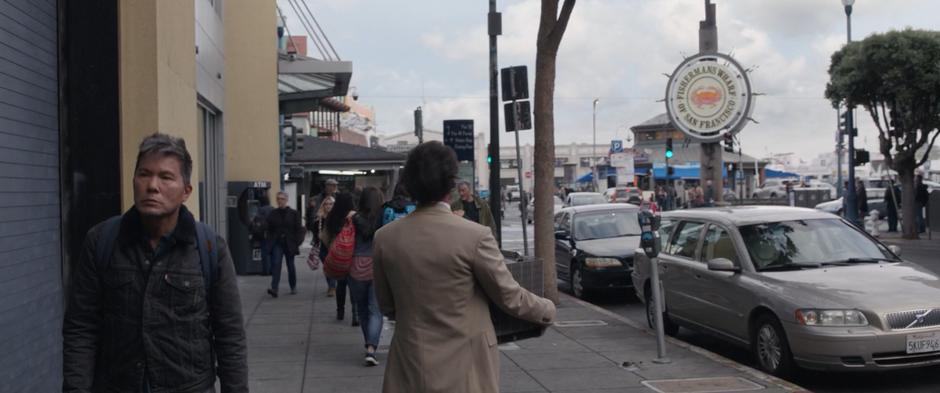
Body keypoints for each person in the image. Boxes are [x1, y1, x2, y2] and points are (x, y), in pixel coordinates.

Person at [63, 133, 247, 392]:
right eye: (144, 174)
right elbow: (81, 327)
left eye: (166, 177)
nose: (152, 186)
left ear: (186, 191)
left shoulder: (209, 248)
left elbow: (230, 335)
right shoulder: (102, 241)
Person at [373, 141, 556, 393]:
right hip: (467, 365)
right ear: (451, 186)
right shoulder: (474, 236)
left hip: (411, 359)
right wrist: (547, 309)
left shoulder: (385, 238)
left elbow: (387, 305)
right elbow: (509, 296)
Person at [348, 187, 385, 366]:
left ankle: (368, 344)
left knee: (362, 309)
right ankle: (371, 348)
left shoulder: (354, 218)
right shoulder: (384, 217)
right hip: (376, 264)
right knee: (376, 310)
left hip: (356, 265)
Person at [322, 192, 358, 325]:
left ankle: (340, 312)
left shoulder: (332, 215)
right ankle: (355, 314)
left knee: (341, 285)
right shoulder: (355, 216)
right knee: (353, 285)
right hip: (352, 254)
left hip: (338, 255)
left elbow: (325, 236)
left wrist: (333, 246)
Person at [266, 191, 305, 298]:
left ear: (286, 200)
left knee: (290, 265)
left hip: (289, 243)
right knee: (276, 263)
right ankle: (274, 288)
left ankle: (293, 286)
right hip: (277, 243)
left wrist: (298, 242)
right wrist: (269, 240)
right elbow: (268, 228)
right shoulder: (273, 213)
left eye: (282, 199)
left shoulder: (294, 213)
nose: (280, 201)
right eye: (278, 199)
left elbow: (299, 229)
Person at [312, 196, 337, 297]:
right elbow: (314, 231)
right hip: (322, 246)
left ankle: (332, 287)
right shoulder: (319, 218)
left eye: (330, 204)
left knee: (332, 267)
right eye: (326, 204)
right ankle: (331, 285)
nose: (328, 206)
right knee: (326, 267)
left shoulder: (337, 218)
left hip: (334, 246)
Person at [252, 194, 275, 275]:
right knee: (272, 253)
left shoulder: (260, 210)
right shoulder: (272, 208)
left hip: (264, 234)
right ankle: (272, 270)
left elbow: (256, 221)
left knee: (265, 253)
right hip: (272, 234)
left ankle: (265, 271)